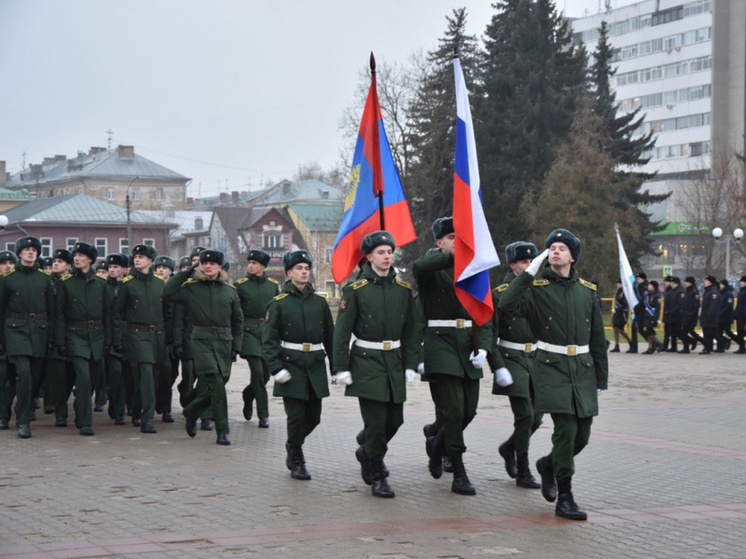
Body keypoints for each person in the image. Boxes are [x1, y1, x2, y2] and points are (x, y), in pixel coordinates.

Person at [499, 228, 608, 521]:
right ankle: (566, 497)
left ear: (573, 256)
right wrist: (530, 272)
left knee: (581, 436)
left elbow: (597, 338)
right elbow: (506, 304)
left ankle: (548, 465)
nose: (555, 251)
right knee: (566, 432)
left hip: (582, 370)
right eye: (551, 248)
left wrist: (601, 378)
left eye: (562, 248)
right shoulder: (537, 288)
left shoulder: (587, 290)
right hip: (551, 368)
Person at [333, 231, 418, 498]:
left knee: (396, 420)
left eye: (389, 251)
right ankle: (378, 474)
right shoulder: (356, 290)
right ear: (369, 257)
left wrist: (411, 363)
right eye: (380, 252)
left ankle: (367, 450)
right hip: (366, 363)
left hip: (393, 361)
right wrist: (341, 367)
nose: (386, 256)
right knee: (377, 423)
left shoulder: (403, 290)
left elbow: (412, 330)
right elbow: (341, 332)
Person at [412, 217, 492, 496]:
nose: (457, 243)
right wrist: (454, 257)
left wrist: (485, 347)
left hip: (468, 344)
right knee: (454, 411)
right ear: (439, 242)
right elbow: (419, 267)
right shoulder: (432, 267)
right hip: (440, 343)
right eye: (451, 239)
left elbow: (485, 309)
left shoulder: (476, 269)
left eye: (462, 238)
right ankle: (458, 469)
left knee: (468, 411)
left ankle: (437, 445)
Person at [263, 250, 333, 479]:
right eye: (299, 269)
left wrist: (338, 367)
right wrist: (276, 368)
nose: (304, 272)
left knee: (314, 417)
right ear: (289, 273)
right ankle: (297, 457)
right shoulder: (279, 303)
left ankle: (292, 444)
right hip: (290, 366)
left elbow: (331, 338)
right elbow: (269, 341)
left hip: (314, 364)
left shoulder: (319, 302)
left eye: (306, 268)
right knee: (295, 416)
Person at [163, 249, 242, 446]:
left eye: (213, 263)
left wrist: (236, 347)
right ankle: (223, 431)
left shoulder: (230, 291)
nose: (208, 266)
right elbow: (167, 292)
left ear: (220, 267)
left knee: (222, 380)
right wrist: (187, 271)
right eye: (205, 263)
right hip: (201, 340)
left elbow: (238, 321)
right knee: (215, 380)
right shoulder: (191, 288)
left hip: (224, 341)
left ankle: (192, 411)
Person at [489, 241, 542, 490]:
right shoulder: (501, 292)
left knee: (537, 418)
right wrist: (497, 366)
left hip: (537, 359)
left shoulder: (540, 289)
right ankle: (523, 468)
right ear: (513, 265)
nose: (529, 266)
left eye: (532, 262)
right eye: (524, 262)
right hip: (512, 358)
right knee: (525, 416)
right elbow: (491, 333)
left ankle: (509, 448)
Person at [0, 237, 54, 439]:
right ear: (20, 253)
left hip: (39, 332)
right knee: (23, 374)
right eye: (27, 250)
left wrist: (52, 340)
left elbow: (52, 312)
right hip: (15, 330)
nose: (31, 252)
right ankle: (23, 422)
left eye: (34, 250)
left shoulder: (44, 279)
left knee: (30, 377)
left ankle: (5, 412)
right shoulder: (9, 279)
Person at [54, 242, 107, 436]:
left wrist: (108, 340)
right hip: (74, 334)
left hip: (97, 336)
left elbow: (108, 315)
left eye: (81, 255)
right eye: (75, 255)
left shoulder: (102, 284)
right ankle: (85, 422)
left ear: (90, 259)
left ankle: (80, 408)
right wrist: (60, 341)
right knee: (83, 377)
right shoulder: (65, 283)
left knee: (92, 379)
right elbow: (59, 314)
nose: (76, 258)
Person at [112, 244, 166, 434]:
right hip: (136, 335)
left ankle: (136, 408)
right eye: (136, 256)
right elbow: (117, 314)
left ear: (151, 261)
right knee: (147, 375)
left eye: (142, 257)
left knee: (149, 378)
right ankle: (147, 419)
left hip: (157, 336)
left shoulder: (160, 283)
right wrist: (119, 340)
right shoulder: (126, 283)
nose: (137, 260)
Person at [235, 248, 278, 428]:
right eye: (250, 263)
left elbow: (277, 311)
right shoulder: (240, 285)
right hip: (248, 331)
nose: (251, 266)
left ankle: (248, 395)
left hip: (267, 333)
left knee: (266, 375)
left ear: (263, 266)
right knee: (258, 374)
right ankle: (263, 415)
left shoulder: (273, 285)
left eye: (255, 263)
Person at [44, 249, 75, 426]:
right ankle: (58, 411)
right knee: (56, 374)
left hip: (70, 333)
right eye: (55, 260)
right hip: (49, 333)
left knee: (69, 375)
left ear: (69, 266)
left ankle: (57, 404)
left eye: (60, 261)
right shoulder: (47, 282)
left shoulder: (71, 283)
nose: (55, 263)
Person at [103, 253, 129, 425]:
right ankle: (117, 410)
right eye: (110, 267)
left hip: (128, 337)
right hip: (109, 338)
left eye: (116, 267)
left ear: (124, 270)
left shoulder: (130, 286)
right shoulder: (103, 287)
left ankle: (129, 407)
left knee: (128, 376)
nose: (112, 270)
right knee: (115, 374)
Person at [153, 255, 178, 423]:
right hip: (154, 335)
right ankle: (161, 405)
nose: (161, 270)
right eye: (158, 267)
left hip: (172, 337)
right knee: (155, 373)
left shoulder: (177, 287)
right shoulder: (152, 286)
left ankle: (165, 406)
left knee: (170, 373)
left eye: (164, 267)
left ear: (171, 270)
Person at [0, 250, 18, 430]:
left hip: (13, 336)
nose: (8, 266)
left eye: (11, 263)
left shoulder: (15, 283)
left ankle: (5, 414)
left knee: (9, 378)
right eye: (4, 263)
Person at [627, 273, 648, 353]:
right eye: (637, 278)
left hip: (643, 310)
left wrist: (637, 306)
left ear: (643, 279)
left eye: (639, 278)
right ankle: (634, 347)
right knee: (634, 328)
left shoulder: (645, 287)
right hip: (637, 310)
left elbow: (644, 299)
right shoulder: (637, 287)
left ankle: (653, 343)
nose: (637, 280)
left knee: (641, 329)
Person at [699, 276, 720, 355]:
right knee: (706, 332)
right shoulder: (707, 292)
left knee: (709, 333)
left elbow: (713, 306)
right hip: (705, 316)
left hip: (710, 317)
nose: (705, 282)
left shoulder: (713, 292)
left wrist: (709, 316)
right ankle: (708, 348)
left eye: (706, 281)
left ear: (710, 282)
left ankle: (707, 348)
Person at [680, 277, 702, 353]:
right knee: (685, 332)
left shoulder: (694, 292)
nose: (685, 283)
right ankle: (687, 346)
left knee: (686, 332)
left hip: (691, 316)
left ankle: (693, 342)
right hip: (685, 315)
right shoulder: (686, 291)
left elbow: (697, 305)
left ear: (691, 283)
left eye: (687, 282)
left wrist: (691, 314)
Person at [610, 279, 632, 352]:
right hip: (617, 313)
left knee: (620, 329)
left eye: (620, 283)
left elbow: (625, 303)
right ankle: (616, 346)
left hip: (622, 313)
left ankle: (631, 342)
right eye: (618, 283)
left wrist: (619, 309)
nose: (618, 284)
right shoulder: (617, 292)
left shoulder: (624, 292)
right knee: (615, 328)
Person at [641, 280, 662, 354]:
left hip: (652, 315)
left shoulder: (656, 295)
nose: (648, 286)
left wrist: (655, 319)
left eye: (650, 285)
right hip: (646, 315)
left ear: (653, 287)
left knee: (649, 331)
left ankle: (658, 343)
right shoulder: (648, 294)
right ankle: (650, 347)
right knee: (647, 331)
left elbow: (657, 308)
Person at [717, 279, 738, 352]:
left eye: (721, 284)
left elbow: (729, 305)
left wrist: (721, 312)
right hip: (720, 316)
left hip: (726, 316)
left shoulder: (729, 294)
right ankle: (720, 347)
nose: (720, 285)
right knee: (719, 331)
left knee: (728, 331)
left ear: (724, 285)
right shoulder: (720, 293)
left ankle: (739, 342)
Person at [667, 277, 685, 353]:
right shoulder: (672, 291)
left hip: (678, 315)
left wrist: (673, 311)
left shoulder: (680, 291)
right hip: (672, 314)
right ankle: (674, 346)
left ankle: (686, 344)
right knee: (672, 332)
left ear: (676, 283)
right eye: (671, 283)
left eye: (673, 283)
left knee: (678, 331)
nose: (671, 285)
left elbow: (680, 303)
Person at [734, 276, 746, 354]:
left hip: (743, 314)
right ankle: (741, 347)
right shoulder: (741, 291)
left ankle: (742, 347)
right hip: (740, 314)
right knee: (740, 331)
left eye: (742, 282)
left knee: (741, 331)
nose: (741, 283)